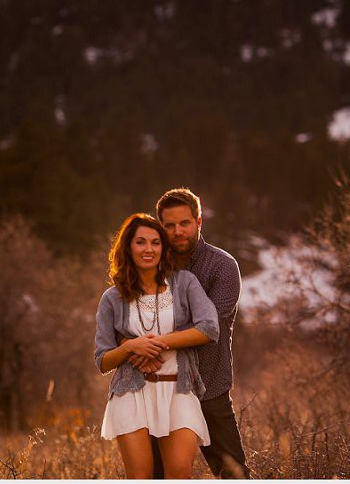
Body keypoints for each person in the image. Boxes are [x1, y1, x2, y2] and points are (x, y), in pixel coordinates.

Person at [94, 213, 220, 478]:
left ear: (163, 248)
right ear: (128, 247)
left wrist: (157, 343)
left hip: (179, 388)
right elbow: (102, 360)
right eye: (140, 242)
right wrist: (130, 348)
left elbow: (209, 327)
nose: (148, 249)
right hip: (132, 392)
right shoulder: (112, 297)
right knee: (141, 476)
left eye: (155, 242)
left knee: (178, 473)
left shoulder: (184, 283)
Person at [141, 188, 249, 478]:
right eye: (169, 225)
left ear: (199, 222)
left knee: (234, 475)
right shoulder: (149, 266)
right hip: (161, 389)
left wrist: (155, 338)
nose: (177, 231)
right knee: (157, 477)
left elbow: (207, 326)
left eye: (185, 223)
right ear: (160, 226)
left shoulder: (223, 266)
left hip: (209, 388)